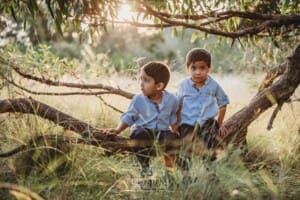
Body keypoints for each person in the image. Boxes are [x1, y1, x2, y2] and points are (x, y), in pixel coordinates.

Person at [104, 61, 179, 180]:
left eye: (146, 80)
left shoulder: (172, 100)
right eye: (141, 79)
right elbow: (129, 116)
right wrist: (117, 130)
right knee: (139, 134)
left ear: (159, 86)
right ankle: (145, 168)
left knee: (172, 138)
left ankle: (169, 172)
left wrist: (176, 128)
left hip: (162, 133)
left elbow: (174, 117)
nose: (141, 84)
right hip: (144, 131)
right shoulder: (138, 99)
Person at [176, 48, 229, 182]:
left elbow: (223, 103)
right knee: (184, 148)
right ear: (188, 68)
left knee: (210, 143)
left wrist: (219, 123)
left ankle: (210, 173)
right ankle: (186, 176)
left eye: (202, 68)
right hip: (187, 122)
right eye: (193, 68)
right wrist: (176, 123)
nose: (197, 72)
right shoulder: (183, 85)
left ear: (209, 69)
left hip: (207, 122)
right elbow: (179, 105)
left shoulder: (213, 85)